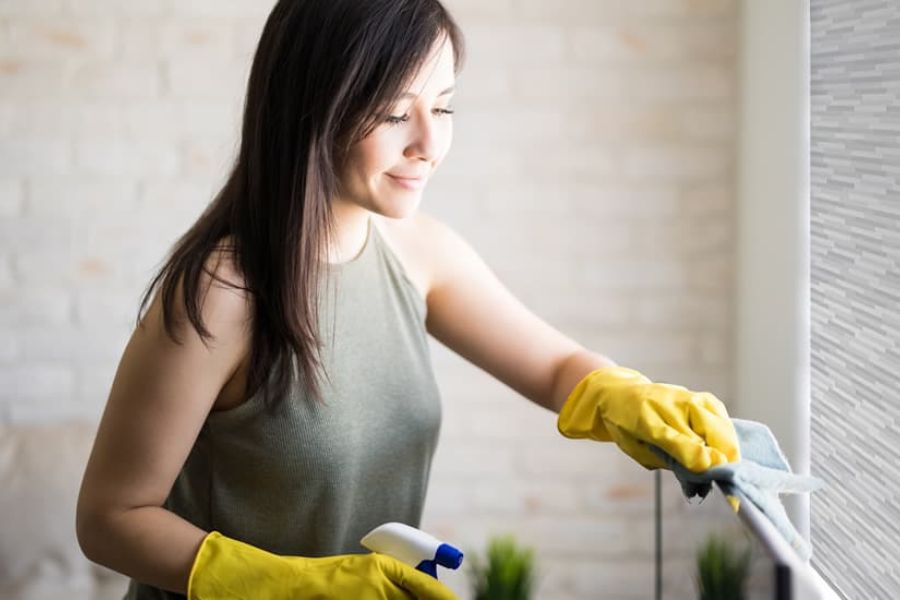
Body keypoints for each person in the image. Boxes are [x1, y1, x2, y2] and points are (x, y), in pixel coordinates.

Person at [75, 0, 741, 598]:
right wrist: (295, 586)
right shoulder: (221, 294)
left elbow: (555, 368)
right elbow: (110, 520)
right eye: (396, 112)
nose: (429, 145)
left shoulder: (418, 250)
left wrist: (623, 395)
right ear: (312, 106)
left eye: (443, 106)